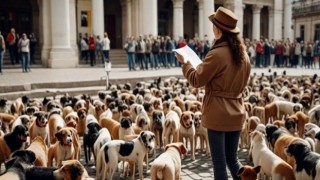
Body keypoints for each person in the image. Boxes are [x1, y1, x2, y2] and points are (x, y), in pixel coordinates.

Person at [175, 7, 251, 180]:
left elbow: (196, 80)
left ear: (218, 29)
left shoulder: (217, 53)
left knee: (219, 162)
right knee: (233, 159)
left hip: (217, 113)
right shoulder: (244, 54)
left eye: (213, 25)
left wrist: (185, 63)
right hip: (237, 111)